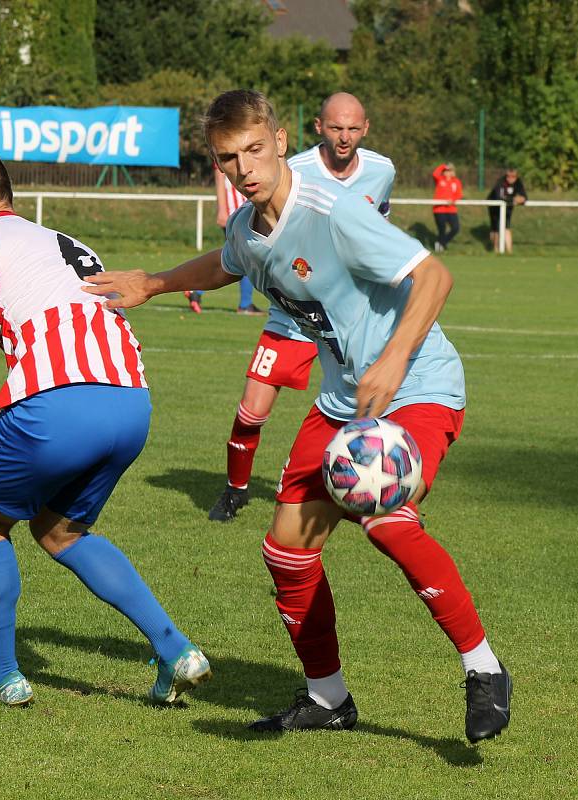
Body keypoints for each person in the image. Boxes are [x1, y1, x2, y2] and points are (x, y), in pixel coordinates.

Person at [84, 90, 512, 744]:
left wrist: (394, 359)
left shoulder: (332, 211)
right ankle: (327, 697)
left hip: (417, 385)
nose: (245, 167)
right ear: (218, 162)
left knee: (386, 518)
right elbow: (230, 262)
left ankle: (482, 667)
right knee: (286, 550)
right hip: (343, 404)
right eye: (229, 158)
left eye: (255, 149)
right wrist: (153, 281)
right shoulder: (247, 228)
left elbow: (432, 278)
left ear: (281, 141)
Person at [0, 144, 211, 707]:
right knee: (59, 530)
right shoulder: (63, 241)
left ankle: (3, 677)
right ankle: (176, 651)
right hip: (130, 403)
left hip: (57, 405)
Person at [208, 92, 395, 523]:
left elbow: (380, 221)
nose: (344, 137)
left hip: (348, 316)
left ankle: (386, 492)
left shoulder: (382, 170)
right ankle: (235, 490)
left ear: (365, 128)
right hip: (292, 313)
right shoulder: (295, 168)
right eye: (335, 128)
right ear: (316, 128)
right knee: (252, 409)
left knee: (372, 407)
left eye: (352, 128)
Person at [183, 166, 264, 315]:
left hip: (246, 210)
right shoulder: (224, 147)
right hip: (235, 212)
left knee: (240, 258)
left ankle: (197, 290)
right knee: (244, 258)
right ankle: (245, 305)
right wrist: (221, 210)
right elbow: (219, 177)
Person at [488, 167, 527, 254]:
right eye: (508, 176)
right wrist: (513, 199)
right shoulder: (500, 182)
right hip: (494, 207)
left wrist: (520, 199)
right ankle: (496, 249)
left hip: (508, 206)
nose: (510, 178)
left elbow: (524, 197)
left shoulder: (518, 182)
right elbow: (499, 197)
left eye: (513, 176)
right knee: (496, 228)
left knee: (506, 227)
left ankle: (509, 251)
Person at [431, 162, 462, 252]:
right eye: (446, 170)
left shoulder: (456, 182)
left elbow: (459, 194)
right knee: (442, 229)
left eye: (449, 170)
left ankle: (441, 243)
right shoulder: (439, 179)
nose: (447, 172)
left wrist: (452, 200)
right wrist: (443, 166)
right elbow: (435, 173)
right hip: (439, 209)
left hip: (451, 209)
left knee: (456, 228)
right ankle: (440, 248)